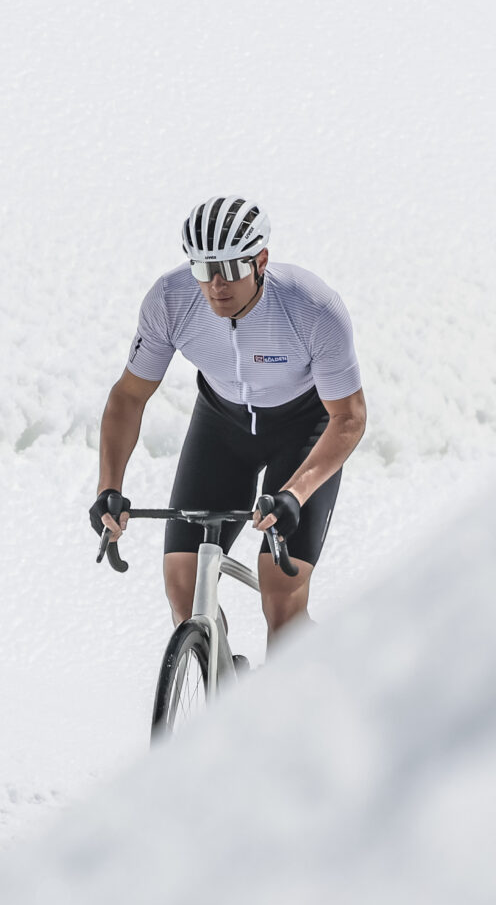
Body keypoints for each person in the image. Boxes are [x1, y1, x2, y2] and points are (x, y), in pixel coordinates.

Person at [92, 197, 367, 641]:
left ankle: (300, 686)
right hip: (223, 425)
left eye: (230, 268)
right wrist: (109, 488)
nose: (216, 284)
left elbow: (350, 418)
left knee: (281, 594)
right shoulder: (171, 300)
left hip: (305, 428)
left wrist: (295, 494)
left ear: (260, 261)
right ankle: (215, 680)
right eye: (203, 269)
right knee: (184, 583)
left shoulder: (313, 308)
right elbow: (127, 398)